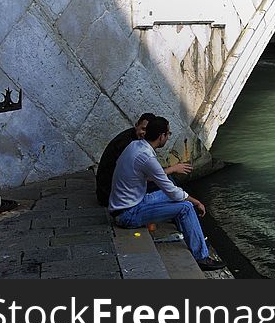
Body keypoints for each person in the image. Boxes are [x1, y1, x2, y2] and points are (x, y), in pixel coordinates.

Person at [108, 116, 225, 271]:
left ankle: (192, 233)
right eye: (168, 134)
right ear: (161, 136)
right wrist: (196, 201)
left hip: (128, 203)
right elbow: (171, 191)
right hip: (127, 214)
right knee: (186, 207)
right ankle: (201, 257)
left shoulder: (135, 146)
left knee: (177, 196)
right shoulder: (147, 157)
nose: (168, 137)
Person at [96, 113, 193, 206]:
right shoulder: (131, 145)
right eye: (143, 129)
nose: (144, 133)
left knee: (168, 184)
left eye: (147, 130)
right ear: (136, 125)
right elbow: (148, 177)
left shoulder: (134, 143)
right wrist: (173, 169)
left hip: (113, 191)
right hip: (111, 194)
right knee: (170, 188)